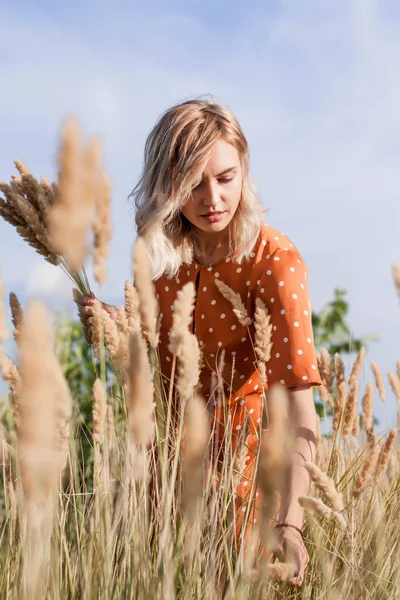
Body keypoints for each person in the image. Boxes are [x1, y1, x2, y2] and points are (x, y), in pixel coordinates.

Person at [75, 98, 322, 587]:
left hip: (244, 487)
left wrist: (291, 524)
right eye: (193, 182)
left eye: (226, 178)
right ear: (169, 185)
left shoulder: (274, 261)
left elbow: (300, 410)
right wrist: (118, 327)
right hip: (161, 484)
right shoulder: (161, 259)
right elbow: (159, 352)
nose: (212, 197)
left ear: (244, 170)